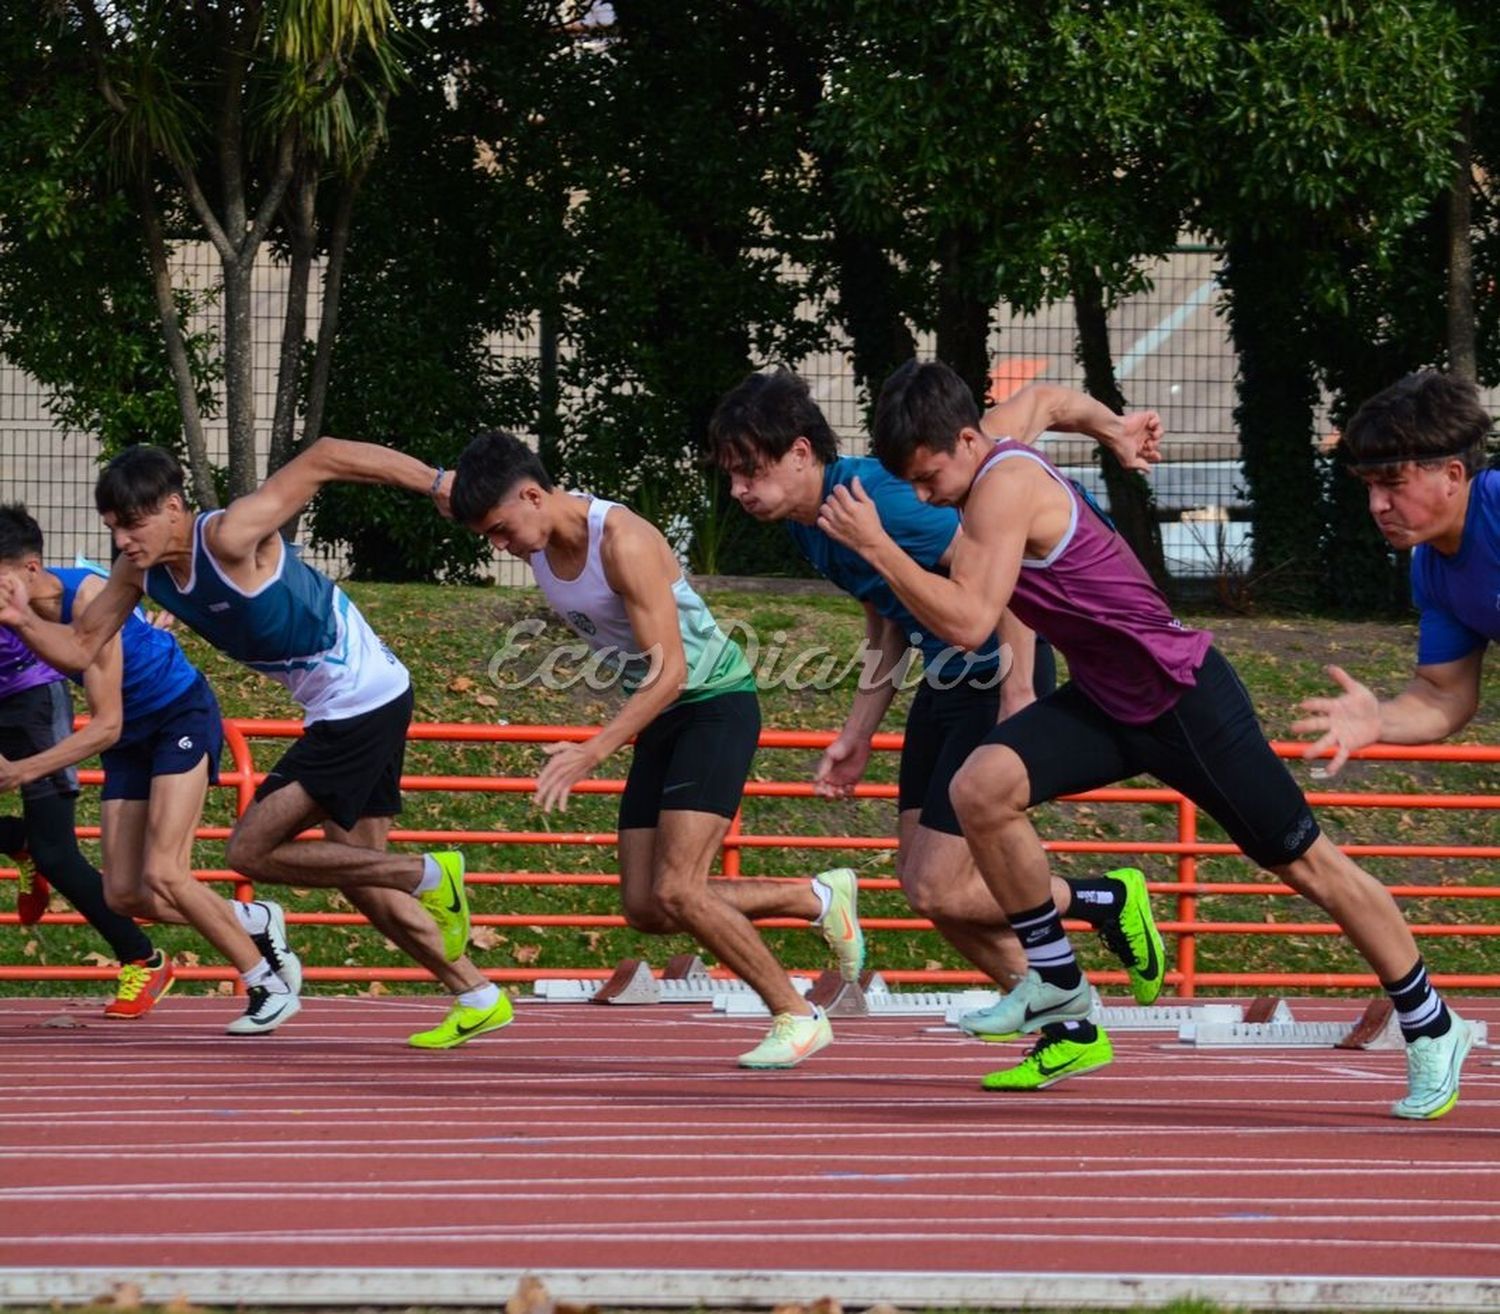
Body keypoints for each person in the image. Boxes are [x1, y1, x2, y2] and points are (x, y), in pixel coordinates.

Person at [817, 358, 1473, 1119]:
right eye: (916, 487)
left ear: (965, 440)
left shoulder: (1002, 487)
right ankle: (1058, 981)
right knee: (979, 786)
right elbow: (1050, 397)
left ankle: (1432, 1024)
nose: (927, 497)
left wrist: (877, 545)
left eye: (931, 479)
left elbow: (968, 623)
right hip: (1107, 700)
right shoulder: (993, 436)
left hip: (1182, 701)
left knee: (1312, 868)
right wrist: (1116, 429)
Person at [705, 370, 1168, 1089]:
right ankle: (1068, 1025)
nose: (738, 490)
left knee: (948, 889)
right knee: (927, 891)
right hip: (945, 681)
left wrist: (1018, 688)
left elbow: (1000, 571)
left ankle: (1103, 900)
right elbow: (887, 612)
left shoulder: (884, 499)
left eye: (749, 471)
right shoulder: (816, 527)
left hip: (993, 674)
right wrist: (859, 731)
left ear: (799, 452)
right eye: (730, 475)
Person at [0, 444, 502, 1049]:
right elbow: (81, 650)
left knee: (251, 848)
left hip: (360, 700)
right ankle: (478, 994)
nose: (123, 541)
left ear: (173, 508)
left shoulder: (231, 536)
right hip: (344, 706)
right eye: (112, 528)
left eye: (132, 525)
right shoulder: (139, 570)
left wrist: (438, 481)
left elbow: (324, 456)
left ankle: (427, 874)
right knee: (357, 873)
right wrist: (22, 620)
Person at [449, 429, 864, 1069]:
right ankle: (816, 899)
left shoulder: (623, 542)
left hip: (711, 703)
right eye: (487, 537)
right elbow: (429, 480)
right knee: (647, 906)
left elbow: (669, 672)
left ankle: (795, 1013)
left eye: (501, 530)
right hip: (662, 714)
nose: (500, 547)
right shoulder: (522, 520)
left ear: (533, 495)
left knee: (680, 888)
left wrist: (592, 751)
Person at [0, 506, 302, 1032]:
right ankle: (253, 920)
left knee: (165, 871)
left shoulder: (88, 599)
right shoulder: (26, 616)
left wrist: (23, 770)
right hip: (132, 737)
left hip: (176, 714)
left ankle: (266, 984)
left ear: (28, 570)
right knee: (124, 893)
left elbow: (104, 728)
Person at [1293, 370, 1495, 772]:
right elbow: (1444, 694)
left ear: (1452, 476)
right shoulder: (1434, 567)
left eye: (1393, 484)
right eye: (1370, 486)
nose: (1376, 505)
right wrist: (1378, 720)